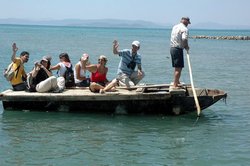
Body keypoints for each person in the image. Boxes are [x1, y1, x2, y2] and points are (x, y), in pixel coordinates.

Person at [170, 17, 191, 88]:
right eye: (188, 23)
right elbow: (184, 38)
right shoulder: (184, 29)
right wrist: (186, 46)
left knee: (177, 67)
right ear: (186, 21)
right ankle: (175, 85)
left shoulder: (175, 27)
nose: (188, 24)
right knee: (178, 68)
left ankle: (177, 81)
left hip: (172, 48)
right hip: (178, 49)